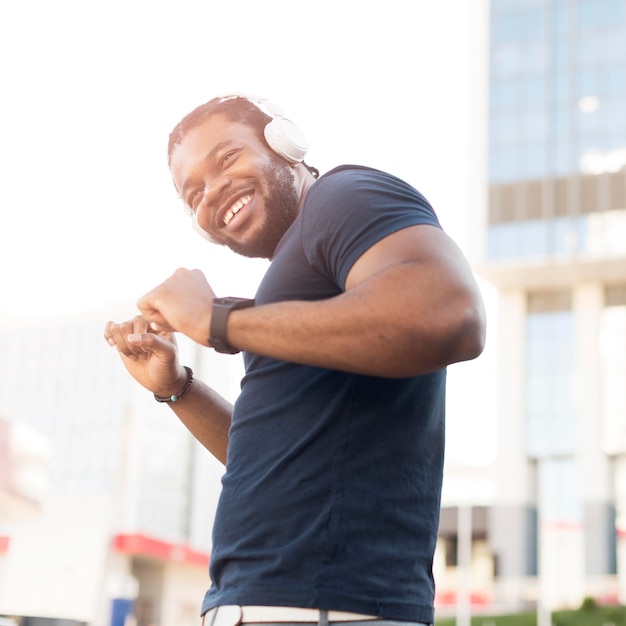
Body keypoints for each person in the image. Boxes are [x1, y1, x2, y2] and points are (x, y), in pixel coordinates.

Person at [104, 94, 486, 626]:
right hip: (270, 605)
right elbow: (274, 457)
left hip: (325, 606)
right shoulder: (295, 282)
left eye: (226, 160)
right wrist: (177, 389)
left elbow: (451, 313)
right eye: (195, 193)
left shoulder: (345, 194)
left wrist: (217, 322)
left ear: (285, 142)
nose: (213, 191)